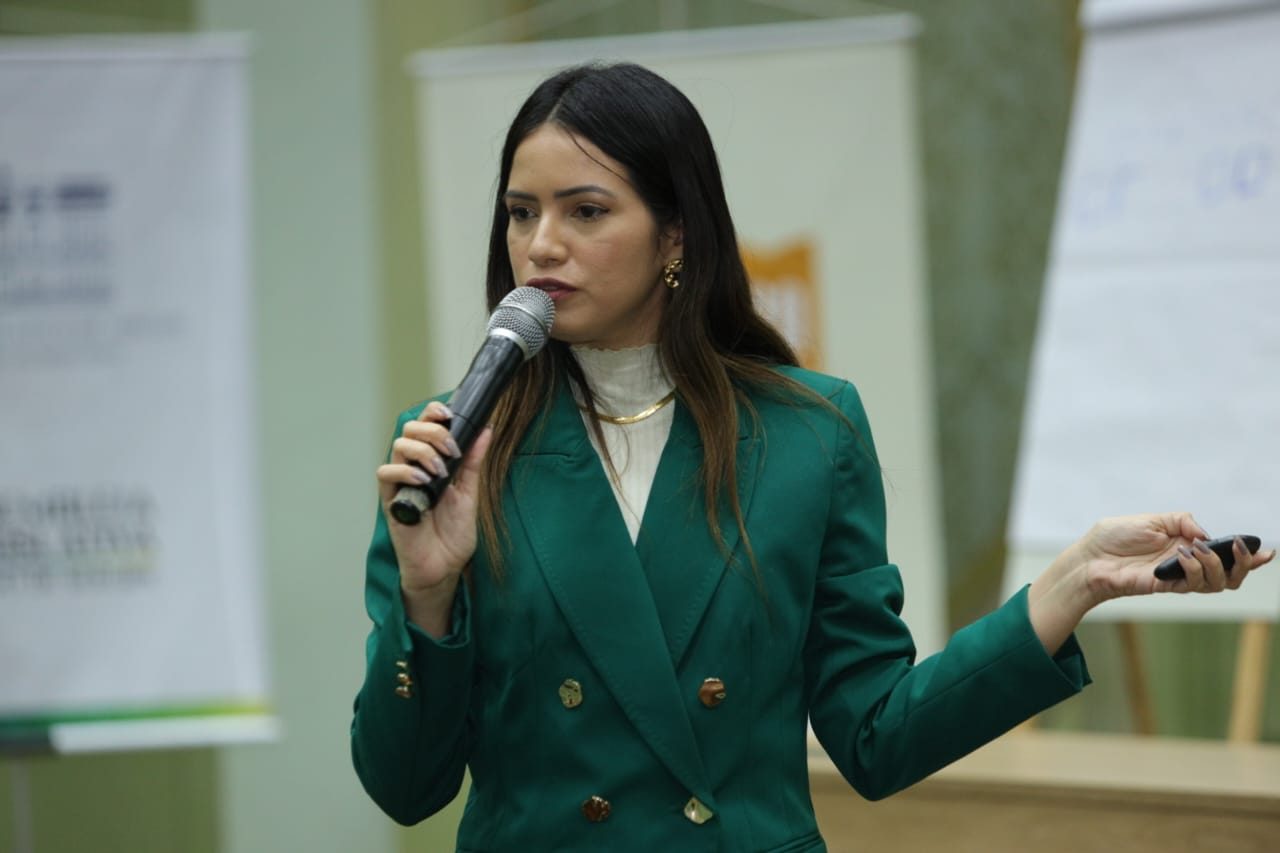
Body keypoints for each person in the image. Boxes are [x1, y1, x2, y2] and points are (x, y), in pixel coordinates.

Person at [350, 62, 1273, 852]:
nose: (541, 245)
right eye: (521, 213)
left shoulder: (805, 433)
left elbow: (878, 736)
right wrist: (427, 596)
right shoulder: (456, 450)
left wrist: (1071, 585)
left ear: (677, 233)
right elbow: (405, 787)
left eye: (585, 210)